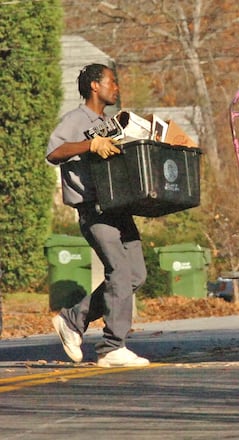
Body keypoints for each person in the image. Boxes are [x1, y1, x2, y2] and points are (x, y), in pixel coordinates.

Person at [47, 63, 150, 368]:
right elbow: (54, 152)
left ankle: (72, 320)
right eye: (111, 82)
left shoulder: (110, 122)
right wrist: (90, 144)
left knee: (135, 275)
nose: (115, 88)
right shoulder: (77, 120)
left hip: (118, 207)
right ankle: (111, 347)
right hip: (94, 209)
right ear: (95, 85)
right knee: (118, 271)